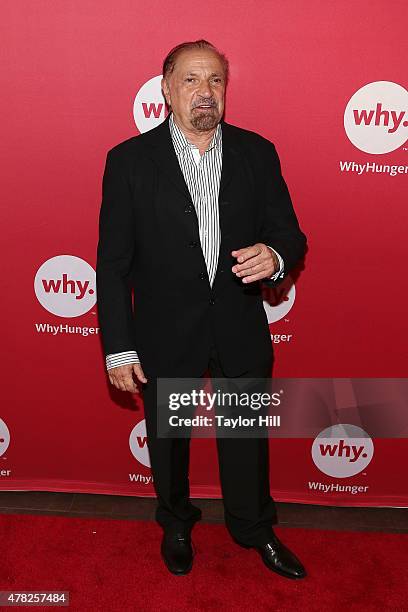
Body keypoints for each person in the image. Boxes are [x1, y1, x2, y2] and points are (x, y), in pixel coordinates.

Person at [96, 39, 307, 578]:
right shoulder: (128, 162)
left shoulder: (257, 152)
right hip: (167, 332)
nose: (204, 91)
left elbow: (289, 233)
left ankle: (254, 528)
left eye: (215, 80)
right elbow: (113, 265)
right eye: (190, 80)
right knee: (168, 443)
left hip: (238, 326)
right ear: (166, 90)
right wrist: (118, 347)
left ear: (226, 91)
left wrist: (277, 256)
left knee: (246, 441)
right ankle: (175, 524)